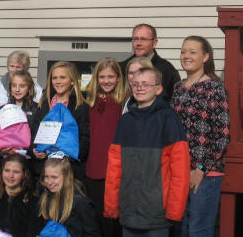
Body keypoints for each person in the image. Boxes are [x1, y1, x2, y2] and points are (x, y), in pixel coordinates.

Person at [105, 67, 190, 237]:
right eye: (135, 84)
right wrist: (111, 206)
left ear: (158, 89)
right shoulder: (125, 121)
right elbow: (114, 168)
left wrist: (175, 210)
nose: (140, 88)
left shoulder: (169, 118)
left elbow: (180, 170)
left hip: (157, 212)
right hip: (129, 209)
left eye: (145, 84)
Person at [171, 36, 230, 237]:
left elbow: (222, 136)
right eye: (183, 51)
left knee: (198, 229)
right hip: (179, 170)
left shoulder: (214, 88)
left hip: (205, 173)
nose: (186, 56)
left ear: (205, 57)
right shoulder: (178, 88)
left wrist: (201, 169)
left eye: (192, 52)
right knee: (180, 228)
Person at [84, 58, 125, 237]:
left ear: (118, 78)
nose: (106, 81)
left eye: (111, 76)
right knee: (95, 219)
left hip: (115, 169)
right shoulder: (89, 103)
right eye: (102, 77)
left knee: (112, 221)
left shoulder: (123, 103)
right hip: (93, 167)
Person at [31, 61, 90, 181]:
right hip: (44, 169)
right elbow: (34, 133)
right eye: (54, 78)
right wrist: (34, 149)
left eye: (62, 77)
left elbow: (84, 138)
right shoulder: (44, 105)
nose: (58, 81)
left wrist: (68, 154)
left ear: (72, 81)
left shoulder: (81, 107)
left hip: (69, 170)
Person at [32, 157, 100, 236]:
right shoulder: (45, 198)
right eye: (46, 177)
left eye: (54, 177)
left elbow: (93, 233)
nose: (49, 182)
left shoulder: (81, 203)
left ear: (67, 177)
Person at [0, 154, 38, 237]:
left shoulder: (31, 200)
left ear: (25, 174)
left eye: (16, 172)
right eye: (7, 171)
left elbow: (32, 231)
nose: (10, 176)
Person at [120, 24, 180, 100]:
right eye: (135, 39)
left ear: (154, 43)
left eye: (143, 39)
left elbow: (175, 100)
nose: (138, 43)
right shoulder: (122, 68)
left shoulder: (167, 70)